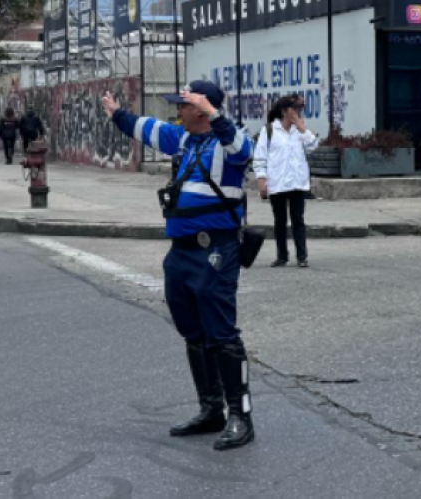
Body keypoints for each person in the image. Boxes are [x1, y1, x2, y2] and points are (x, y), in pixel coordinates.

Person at [101, 80, 256, 451]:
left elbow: (241, 149)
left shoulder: (229, 142)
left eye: (183, 105)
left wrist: (215, 112)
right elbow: (148, 129)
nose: (177, 112)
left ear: (202, 109)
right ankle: (211, 410)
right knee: (193, 333)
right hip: (182, 252)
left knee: (221, 333)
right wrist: (117, 113)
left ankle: (240, 415)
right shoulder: (185, 139)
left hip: (215, 250)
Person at [255, 95, 319, 268]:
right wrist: (262, 180)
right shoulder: (269, 130)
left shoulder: (299, 131)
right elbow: (260, 158)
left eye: (299, 109)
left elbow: (313, 147)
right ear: (284, 111)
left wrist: (303, 130)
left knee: (298, 219)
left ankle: (302, 256)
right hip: (277, 182)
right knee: (280, 221)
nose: (297, 112)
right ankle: (282, 256)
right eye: (294, 109)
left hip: (297, 182)